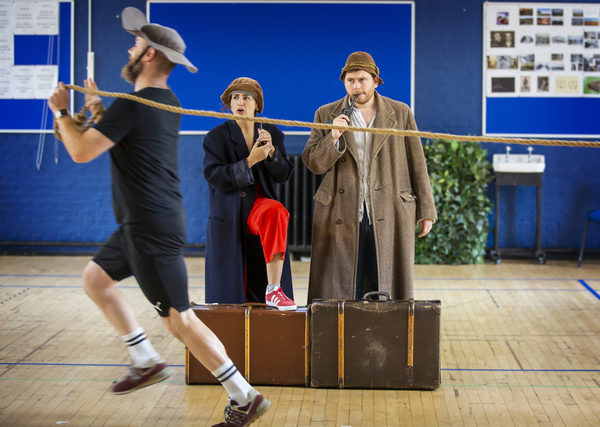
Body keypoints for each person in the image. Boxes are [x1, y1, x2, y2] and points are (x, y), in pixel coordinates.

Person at [48, 8, 269, 427]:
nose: (130, 48)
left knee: (179, 320)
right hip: (143, 223)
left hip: (150, 227)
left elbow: (79, 150)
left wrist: (62, 111)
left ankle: (245, 396)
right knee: (95, 279)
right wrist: (96, 110)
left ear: (148, 55)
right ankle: (144, 357)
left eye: (135, 44)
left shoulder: (134, 105)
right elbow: (112, 137)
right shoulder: (163, 101)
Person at [302, 51, 437, 303]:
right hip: (341, 210)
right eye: (350, 80)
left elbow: (417, 161)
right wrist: (332, 137)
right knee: (343, 286)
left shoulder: (400, 112)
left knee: (384, 283)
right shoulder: (326, 113)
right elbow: (313, 163)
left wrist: (426, 209)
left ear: (375, 81)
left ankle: (385, 339)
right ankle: (341, 338)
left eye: (362, 79)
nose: (356, 86)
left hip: (390, 208)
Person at [202, 78, 296, 309]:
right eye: (235, 97)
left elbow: (283, 175)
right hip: (230, 214)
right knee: (228, 300)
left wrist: (273, 153)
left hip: (259, 209)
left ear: (257, 105)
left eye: (246, 97)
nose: (240, 102)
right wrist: (251, 161)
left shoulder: (272, 132)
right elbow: (215, 177)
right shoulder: (215, 137)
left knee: (277, 211)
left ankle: (274, 290)